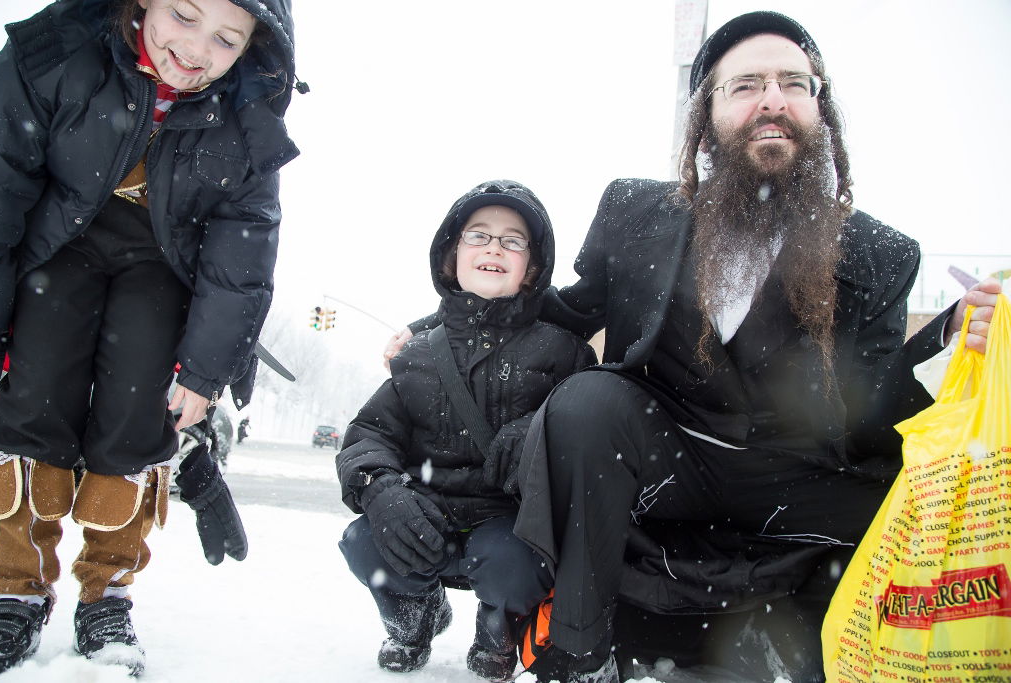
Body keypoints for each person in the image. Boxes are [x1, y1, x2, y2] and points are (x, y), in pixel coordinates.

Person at [384, 12, 1002, 682]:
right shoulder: (634, 213)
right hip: (668, 463)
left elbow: (878, 407)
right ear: (706, 117)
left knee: (901, 494)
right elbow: (555, 314)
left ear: (819, 110)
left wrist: (951, 341)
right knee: (587, 401)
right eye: (746, 85)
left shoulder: (879, 254)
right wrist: (433, 337)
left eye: (794, 83)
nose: (772, 99)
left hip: (791, 481)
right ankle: (583, 654)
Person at [0, 0, 301, 677]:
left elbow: (241, 257)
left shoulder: (248, 118)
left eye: (225, 38)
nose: (195, 49)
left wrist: (206, 371)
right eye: (183, 15)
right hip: (56, 241)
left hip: (162, 264)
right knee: (33, 396)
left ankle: (107, 589)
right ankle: (15, 582)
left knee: (137, 413)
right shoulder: (57, 57)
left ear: (251, 47)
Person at [338, 180, 597, 681]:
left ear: (533, 268)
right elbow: (369, 435)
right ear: (451, 258)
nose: (495, 247)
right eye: (478, 235)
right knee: (366, 541)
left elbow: (586, 418)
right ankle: (414, 619)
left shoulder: (564, 352)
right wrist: (382, 491)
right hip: (426, 512)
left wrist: (537, 430)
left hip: (509, 521)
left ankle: (497, 631)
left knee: (513, 562)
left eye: (513, 240)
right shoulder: (416, 354)